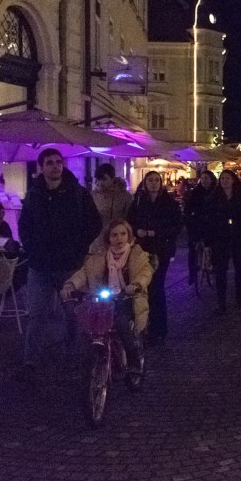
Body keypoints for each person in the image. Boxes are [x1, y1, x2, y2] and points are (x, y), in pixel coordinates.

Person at [17, 148, 101, 379]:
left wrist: (78, 247)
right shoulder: (34, 195)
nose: (55, 166)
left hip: (69, 265)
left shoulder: (77, 193)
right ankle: (30, 362)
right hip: (40, 266)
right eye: (50, 163)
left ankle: (71, 356)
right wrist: (33, 250)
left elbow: (94, 223)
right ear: (41, 168)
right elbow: (24, 227)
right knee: (36, 314)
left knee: (72, 313)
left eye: (58, 162)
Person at [61, 220, 152, 375]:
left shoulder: (137, 255)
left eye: (123, 234)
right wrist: (71, 285)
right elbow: (84, 273)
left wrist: (136, 285)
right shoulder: (99, 257)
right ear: (108, 238)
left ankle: (133, 359)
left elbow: (145, 272)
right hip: (104, 299)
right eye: (114, 235)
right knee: (90, 324)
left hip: (127, 298)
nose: (119, 238)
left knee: (121, 322)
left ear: (129, 235)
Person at [127, 170, 182, 345]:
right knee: (144, 288)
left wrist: (156, 232)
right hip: (141, 251)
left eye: (156, 180)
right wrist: (137, 231)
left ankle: (159, 329)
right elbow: (130, 222)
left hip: (160, 250)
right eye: (150, 180)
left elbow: (176, 226)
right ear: (145, 182)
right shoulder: (138, 201)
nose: (153, 183)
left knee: (157, 287)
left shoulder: (168, 202)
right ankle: (146, 325)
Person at [208, 169, 241, 313]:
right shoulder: (215, 198)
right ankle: (222, 302)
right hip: (221, 239)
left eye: (227, 178)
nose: (224, 181)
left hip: (238, 238)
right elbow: (210, 220)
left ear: (233, 180)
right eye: (222, 179)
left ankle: (239, 298)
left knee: (239, 269)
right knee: (221, 271)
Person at [184, 170, 217, 285]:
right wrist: (190, 221)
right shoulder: (195, 192)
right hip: (198, 224)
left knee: (216, 245)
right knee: (192, 249)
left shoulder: (216, 192)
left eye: (206, 178)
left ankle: (214, 266)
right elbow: (188, 209)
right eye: (202, 178)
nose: (204, 180)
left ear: (211, 179)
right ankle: (192, 274)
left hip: (212, 224)